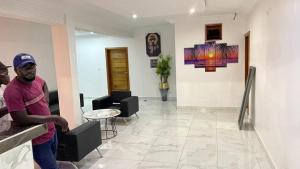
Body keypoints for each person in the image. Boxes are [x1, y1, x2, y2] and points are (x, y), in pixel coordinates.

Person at [4, 53, 69, 169]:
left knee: (54, 162)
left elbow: (44, 85)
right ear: (16, 70)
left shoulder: (36, 80)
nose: (30, 71)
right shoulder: (12, 91)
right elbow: (21, 118)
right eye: (25, 68)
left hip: (51, 132)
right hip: (38, 140)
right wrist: (54, 118)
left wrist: (45, 102)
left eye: (32, 66)